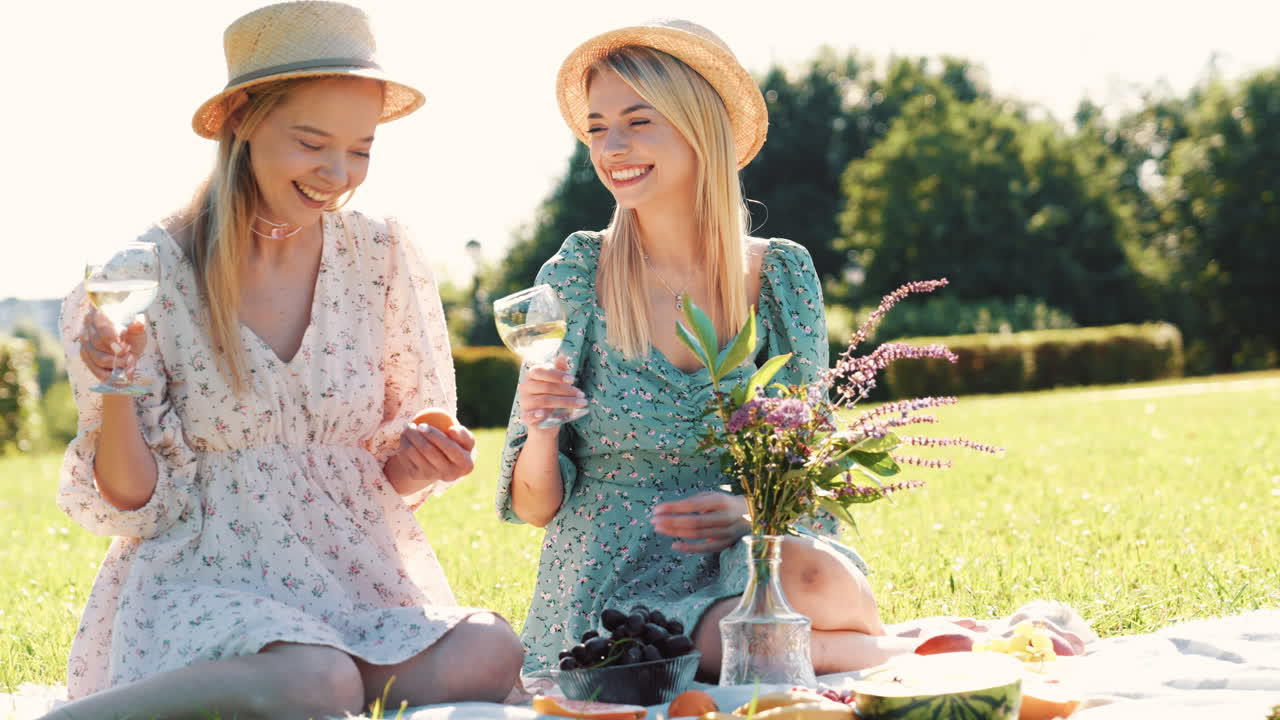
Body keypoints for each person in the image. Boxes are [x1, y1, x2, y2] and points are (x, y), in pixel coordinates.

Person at [45, 3, 522, 718]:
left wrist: (421, 458)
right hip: (206, 585)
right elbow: (132, 501)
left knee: (494, 646)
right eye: (312, 143)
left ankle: (296, 698)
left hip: (352, 581)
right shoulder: (143, 276)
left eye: (361, 149)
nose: (339, 173)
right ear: (241, 117)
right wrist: (118, 387)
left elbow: (387, 464)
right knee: (319, 680)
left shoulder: (380, 255)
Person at [497, 19, 914, 679]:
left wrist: (750, 513)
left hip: (744, 552)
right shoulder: (577, 274)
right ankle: (898, 656)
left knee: (822, 582)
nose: (613, 147)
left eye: (638, 121)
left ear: (699, 128)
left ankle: (847, 651)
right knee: (717, 648)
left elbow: (810, 466)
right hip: (616, 579)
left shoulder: (781, 275)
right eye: (598, 127)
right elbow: (533, 506)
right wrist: (541, 428)